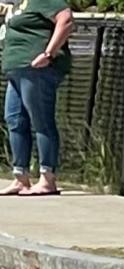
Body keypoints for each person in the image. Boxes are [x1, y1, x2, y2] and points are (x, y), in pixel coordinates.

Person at [2, 0, 73, 197]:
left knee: (41, 119)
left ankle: (47, 178)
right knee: (14, 120)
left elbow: (65, 18)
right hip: (16, 69)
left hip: (36, 68)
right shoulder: (15, 6)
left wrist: (48, 53)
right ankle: (20, 178)